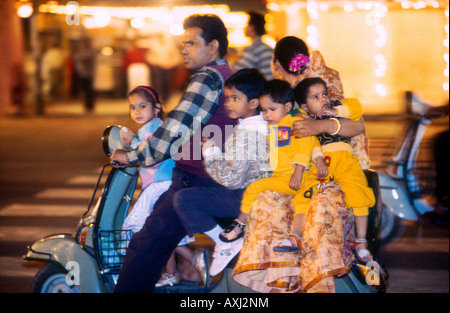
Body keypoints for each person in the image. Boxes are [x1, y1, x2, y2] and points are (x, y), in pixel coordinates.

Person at [232, 36, 370, 293]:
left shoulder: (323, 85)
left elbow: (358, 125)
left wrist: (321, 125)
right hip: (294, 175)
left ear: (276, 66)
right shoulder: (279, 97)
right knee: (265, 199)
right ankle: (281, 284)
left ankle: (316, 285)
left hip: (332, 175)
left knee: (319, 206)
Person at [111, 14, 236, 293]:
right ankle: (188, 274)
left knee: (145, 246)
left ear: (213, 46)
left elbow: (175, 129)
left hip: (195, 181)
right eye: (183, 43)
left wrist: (131, 156)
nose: (184, 49)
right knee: (164, 242)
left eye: (191, 43)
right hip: (215, 178)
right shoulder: (230, 76)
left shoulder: (208, 77)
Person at [174, 68, 272, 277]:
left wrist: (210, 152)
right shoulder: (260, 124)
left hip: (245, 196)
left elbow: (231, 179)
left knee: (184, 200)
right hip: (255, 192)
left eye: (235, 98)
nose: (228, 103)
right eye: (227, 98)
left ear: (253, 103)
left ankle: (224, 243)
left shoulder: (248, 132)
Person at [118, 85, 199, 287]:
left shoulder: (153, 128)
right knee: (159, 234)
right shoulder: (154, 126)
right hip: (160, 184)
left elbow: (150, 156)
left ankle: (192, 261)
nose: (137, 112)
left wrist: (132, 141)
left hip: (159, 185)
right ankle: (174, 272)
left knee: (149, 232)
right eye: (132, 107)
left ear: (156, 108)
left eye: (142, 106)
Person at [291, 77, 376, 262]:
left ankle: (361, 242)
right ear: (304, 106)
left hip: (346, 159)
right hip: (322, 161)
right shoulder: (303, 117)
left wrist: (336, 110)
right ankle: (295, 235)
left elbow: (357, 107)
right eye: (315, 97)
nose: (323, 99)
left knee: (358, 191)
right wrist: (318, 158)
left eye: (324, 94)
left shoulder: (337, 108)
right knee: (306, 191)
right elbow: (307, 141)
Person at [232, 11, 273, 80]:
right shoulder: (268, 48)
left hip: (258, 89)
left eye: (247, 24)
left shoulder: (253, 48)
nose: (245, 27)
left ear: (252, 27)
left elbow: (236, 72)